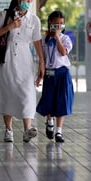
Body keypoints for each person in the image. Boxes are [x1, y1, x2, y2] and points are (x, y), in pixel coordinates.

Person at [0, 0, 44, 143]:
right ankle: (9, 130)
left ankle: (28, 129)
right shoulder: (6, 15)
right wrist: (9, 26)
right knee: (8, 92)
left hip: (24, 59)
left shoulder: (34, 20)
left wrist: (42, 62)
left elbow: (37, 42)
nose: (28, 1)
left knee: (27, 92)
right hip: (7, 59)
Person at [36, 10, 74, 143]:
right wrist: (40, 75)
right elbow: (42, 59)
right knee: (48, 99)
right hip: (49, 73)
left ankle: (59, 131)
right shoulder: (43, 40)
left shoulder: (65, 39)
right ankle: (49, 121)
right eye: (56, 23)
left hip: (62, 73)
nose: (58, 26)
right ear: (50, 23)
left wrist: (57, 37)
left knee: (62, 101)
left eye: (61, 24)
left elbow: (63, 52)